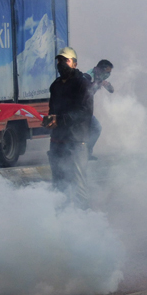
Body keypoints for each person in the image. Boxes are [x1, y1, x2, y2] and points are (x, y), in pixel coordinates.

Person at [43, 47, 93, 209]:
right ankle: (62, 220)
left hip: (76, 141)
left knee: (78, 184)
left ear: (74, 63)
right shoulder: (56, 85)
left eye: (65, 60)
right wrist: (49, 120)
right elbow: (53, 110)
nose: (61, 64)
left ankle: (83, 220)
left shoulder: (83, 84)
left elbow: (85, 112)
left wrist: (61, 119)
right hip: (57, 140)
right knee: (58, 183)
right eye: (59, 60)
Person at [85, 59, 114, 160]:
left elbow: (111, 90)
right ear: (100, 69)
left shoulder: (99, 77)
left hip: (86, 110)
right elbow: (85, 90)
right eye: (107, 72)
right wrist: (97, 84)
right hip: (80, 110)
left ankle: (86, 153)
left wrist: (105, 84)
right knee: (96, 128)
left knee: (93, 129)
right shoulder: (89, 76)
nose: (108, 75)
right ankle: (83, 153)